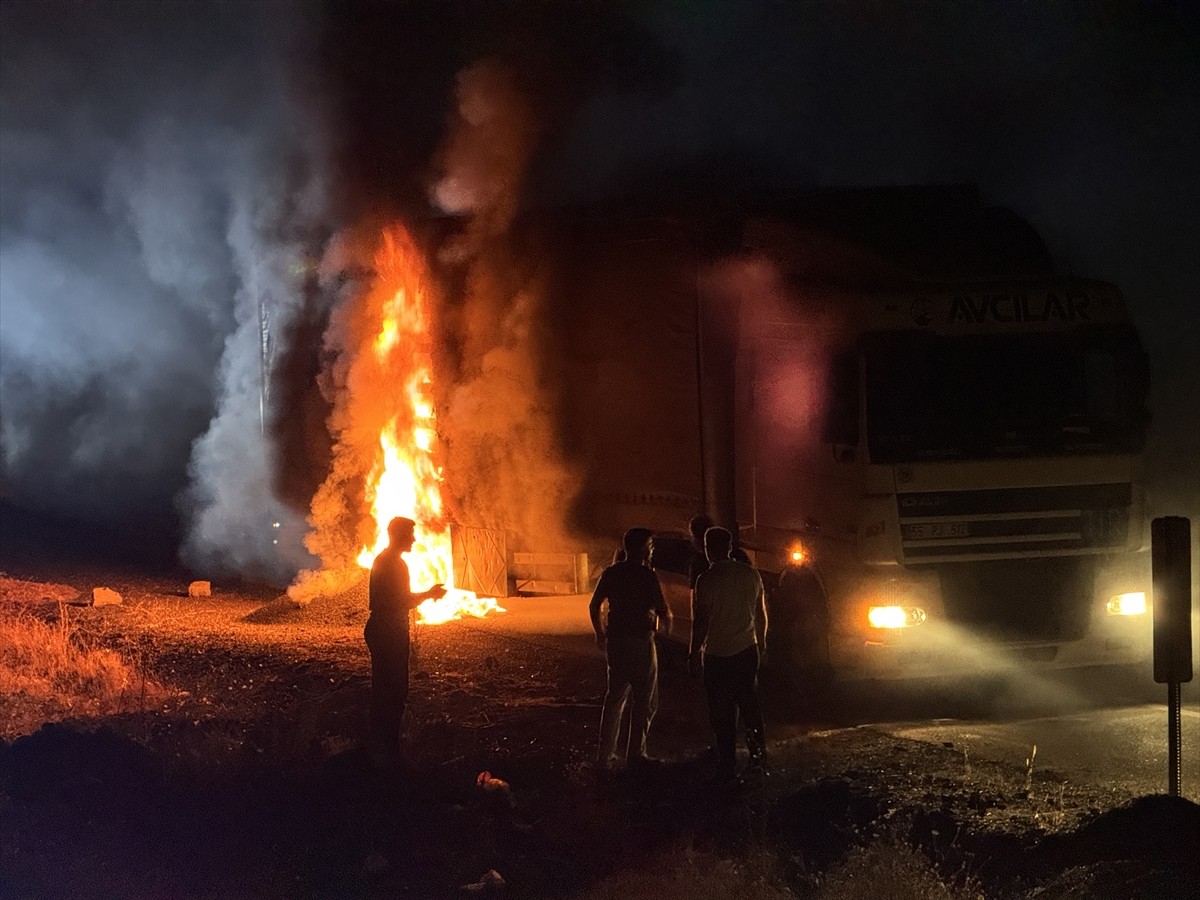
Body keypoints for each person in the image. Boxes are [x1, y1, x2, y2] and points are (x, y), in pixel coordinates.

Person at [689, 525, 768, 783]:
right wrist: (761, 643)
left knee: (721, 712)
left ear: (707, 550)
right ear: (730, 547)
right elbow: (761, 614)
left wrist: (694, 652)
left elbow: (701, 622)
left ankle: (727, 762)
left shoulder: (707, 580)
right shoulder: (751, 575)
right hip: (747, 650)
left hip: (718, 655)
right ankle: (758, 758)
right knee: (750, 706)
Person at [365, 516, 447, 762]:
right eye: (410, 534)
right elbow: (401, 600)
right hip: (388, 632)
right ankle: (388, 751)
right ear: (399, 535)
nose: (414, 539)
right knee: (394, 691)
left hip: (382, 629)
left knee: (384, 689)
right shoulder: (395, 564)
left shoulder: (384, 560)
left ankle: (380, 747)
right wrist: (429, 594)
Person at [589, 527, 671, 770]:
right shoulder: (647, 576)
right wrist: (666, 626)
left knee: (615, 698)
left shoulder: (612, 572)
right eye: (650, 546)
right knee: (645, 700)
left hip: (617, 641)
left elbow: (594, 605)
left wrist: (599, 633)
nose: (652, 550)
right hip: (641, 641)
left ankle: (604, 757)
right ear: (643, 549)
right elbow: (662, 609)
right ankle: (636, 755)